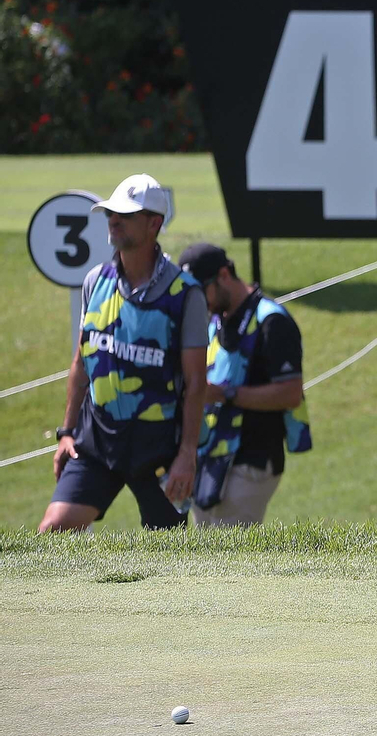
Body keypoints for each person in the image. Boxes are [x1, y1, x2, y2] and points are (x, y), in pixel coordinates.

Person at [39, 174, 208, 531]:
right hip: (97, 440)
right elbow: (81, 364)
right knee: (53, 529)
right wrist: (66, 432)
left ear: (154, 224)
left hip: (160, 446)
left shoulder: (186, 294)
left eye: (125, 215)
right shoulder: (95, 281)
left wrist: (187, 455)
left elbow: (195, 383)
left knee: (170, 553)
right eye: (110, 213)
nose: (113, 220)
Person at [179, 243, 311, 527]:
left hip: (253, 459)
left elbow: (290, 394)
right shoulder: (214, 321)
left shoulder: (272, 321)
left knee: (229, 559)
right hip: (211, 458)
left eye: (202, 292)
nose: (199, 303)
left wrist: (223, 394)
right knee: (204, 559)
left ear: (224, 275)